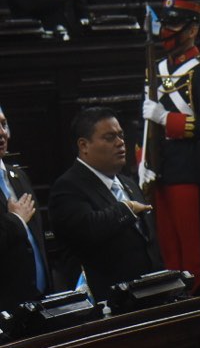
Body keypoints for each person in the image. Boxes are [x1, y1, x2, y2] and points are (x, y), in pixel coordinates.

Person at [141, 0, 200, 291]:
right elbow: (146, 126)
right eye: (166, 22)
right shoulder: (156, 68)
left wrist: (167, 119)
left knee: (194, 252)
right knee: (169, 249)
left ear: (192, 30)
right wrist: (142, 162)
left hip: (190, 169)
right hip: (160, 168)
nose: (167, 30)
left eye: (175, 24)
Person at [49, 107, 162, 302]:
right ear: (84, 145)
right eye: (110, 138)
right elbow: (88, 229)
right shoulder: (68, 187)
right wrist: (126, 209)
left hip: (148, 294)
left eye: (121, 136)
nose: (120, 143)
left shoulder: (129, 183)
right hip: (108, 304)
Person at [0, 105, 50, 312]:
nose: (2, 133)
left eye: (3, 124)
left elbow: (37, 239)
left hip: (40, 300)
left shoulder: (18, 176)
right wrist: (16, 221)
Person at [5, 0, 88, 34]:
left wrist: (84, 20)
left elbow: (78, 0)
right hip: (34, 36)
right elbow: (30, 0)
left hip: (70, 33)